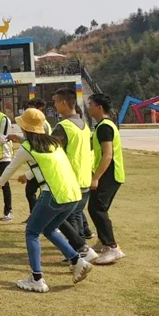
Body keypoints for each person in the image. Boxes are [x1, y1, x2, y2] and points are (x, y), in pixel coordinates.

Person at [0, 108, 93, 293]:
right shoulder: (54, 143)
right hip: (72, 195)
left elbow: (10, 168)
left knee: (31, 232)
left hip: (53, 194)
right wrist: (28, 175)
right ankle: (77, 260)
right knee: (48, 228)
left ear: (24, 128)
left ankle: (37, 278)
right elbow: (50, 165)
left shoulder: (27, 147)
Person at [50, 88, 98, 263]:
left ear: (64, 103)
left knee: (64, 217)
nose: (54, 105)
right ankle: (80, 250)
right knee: (75, 215)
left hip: (70, 179)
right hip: (84, 176)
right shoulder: (83, 125)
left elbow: (50, 151)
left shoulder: (64, 127)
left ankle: (79, 250)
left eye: (56, 102)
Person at [88, 93, 127, 265]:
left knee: (96, 209)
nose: (88, 108)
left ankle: (112, 247)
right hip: (107, 173)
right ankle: (103, 241)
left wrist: (96, 177)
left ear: (99, 107)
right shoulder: (101, 126)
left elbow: (108, 155)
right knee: (97, 208)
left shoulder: (105, 127)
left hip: (109, 174)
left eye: (90, 104)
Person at [7, 98, 50, 220]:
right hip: (36, 167)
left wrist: (28, 174)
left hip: (43, 168)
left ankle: (38, 218)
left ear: (40, 109)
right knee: (31, 191)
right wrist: (20, 139)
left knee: (42, 194)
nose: (28, 112)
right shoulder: (32, 125)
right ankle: (35, 216)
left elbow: (39, 145)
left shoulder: (43, 125)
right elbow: (32, 142)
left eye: (31, 109)